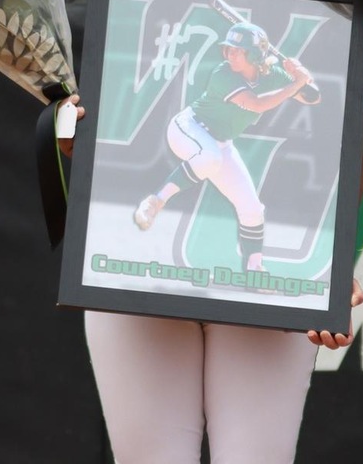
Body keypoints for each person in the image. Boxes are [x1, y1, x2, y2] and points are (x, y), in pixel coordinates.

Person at [73, 0, 363, 463]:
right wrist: (74, 130)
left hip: (268, 293)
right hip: (142, 274)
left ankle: (217, 230)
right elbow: (114, 125)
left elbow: (343, 137)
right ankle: (165, 201)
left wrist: (332, 267)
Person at [130, 20, 319, 278]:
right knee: (210, 158)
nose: (230, 54)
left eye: (237, 50)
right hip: (188, 128)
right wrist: (295, 83)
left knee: (252, 208)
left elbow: (312, 97)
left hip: (220, 142)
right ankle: (156, 201)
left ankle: (254, 268)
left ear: (254, 54)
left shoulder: (271, 75)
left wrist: (301, 75)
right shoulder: (223, 73)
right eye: (228, 49)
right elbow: (256, 104)